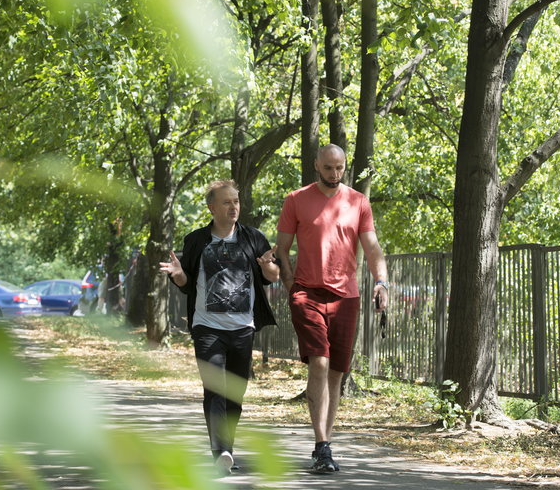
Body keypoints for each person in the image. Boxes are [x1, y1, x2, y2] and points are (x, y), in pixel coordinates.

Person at [274, 144, 389, 475]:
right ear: (316, 166)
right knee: (320, 364)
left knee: (337, 372)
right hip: (307, 293)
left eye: (339, 168)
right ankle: (321, 445)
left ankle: (326, 444)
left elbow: (372, 247)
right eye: (328, 168)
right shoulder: (296, 199)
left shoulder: (358, 202)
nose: (334, 174)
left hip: (346, 297)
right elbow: (281, 248)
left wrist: (381, 283)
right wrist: (290, 287)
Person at [160, 179, 279, 476]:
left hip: (242, 328)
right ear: (212, 207)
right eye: (226, 202)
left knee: (234, 394)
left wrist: (267, 267)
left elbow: (273, 276)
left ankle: (227, 447)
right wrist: (178, 275)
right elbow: (186, 284)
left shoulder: (253, 238)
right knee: (215, 389)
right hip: (207, 327)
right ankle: (220, 452)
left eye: (236, 201)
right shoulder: (197, 240)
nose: (233, 207)